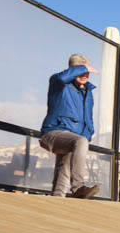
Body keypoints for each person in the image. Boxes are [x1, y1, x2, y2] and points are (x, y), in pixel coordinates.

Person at [39, 54, 100, 199]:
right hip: (53, 133)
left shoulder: (88, 93)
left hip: (73, 140)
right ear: (73, 70)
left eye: (87, 71)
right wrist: (82, 67)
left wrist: (89, 134)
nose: (85, 74)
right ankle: (79, 187)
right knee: (80, 142)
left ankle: (56, 201)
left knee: (64, 172)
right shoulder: (59, 84)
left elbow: (88, 119)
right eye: (81, 70)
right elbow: (62, 78)